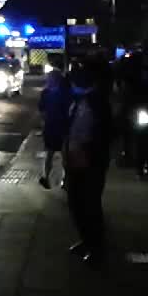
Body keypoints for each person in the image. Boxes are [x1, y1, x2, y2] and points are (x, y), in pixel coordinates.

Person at [65, 62, 112, 267]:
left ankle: (97, 249)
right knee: (76, 204)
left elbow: (103, 133)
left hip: (90, 161)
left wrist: (88, 152)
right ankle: (86, 241)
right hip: (75, 160)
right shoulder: (80, 100)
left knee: (90, 205)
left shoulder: (97, 102)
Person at [38, 70, 71, 189]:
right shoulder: (65, 92)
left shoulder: (46, 93)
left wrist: (44, 123)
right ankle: (65, 180)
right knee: (64, 155)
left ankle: (46, 177)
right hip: (63, 126)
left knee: (49, 154)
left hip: (51, 126)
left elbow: (42, 111)